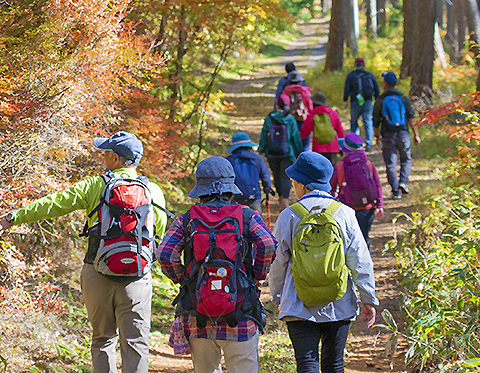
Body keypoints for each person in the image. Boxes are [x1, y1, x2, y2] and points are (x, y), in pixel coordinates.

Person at [0, 131, 168, 373]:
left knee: (103, 339)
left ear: (115, 158)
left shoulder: (96, 185)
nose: (103, 158)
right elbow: (159, 234)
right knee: (136, 345)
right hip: (137, 276)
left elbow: (53, 203)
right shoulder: (153, 191)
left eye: (105, 154)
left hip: (98, 273)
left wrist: (12, 218)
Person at [156, 157, 277, 373]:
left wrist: (185, 279)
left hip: (198, 313)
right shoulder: (247, 216)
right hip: (241, 311)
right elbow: (267, 244)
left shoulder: (186, 220)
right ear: (231, 186)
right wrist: (258, 274)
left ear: (200, 188)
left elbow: (165, 254)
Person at [268, 152, 379, 373]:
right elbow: (359, 258)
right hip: (338, 303)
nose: (293, 187)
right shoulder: (345, 214)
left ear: (302, 184)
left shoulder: (289, 215)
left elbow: (277, 261)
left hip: (299, 303)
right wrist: (368, 297)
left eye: (293, 183)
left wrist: (278, 295)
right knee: (334, 364)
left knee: (306, 364)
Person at [372, 72, 421, 199]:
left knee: (390, 163)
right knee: (406, 159)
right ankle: (403, 182)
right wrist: (416, 134)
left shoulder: (380, 100)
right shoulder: (403, 98)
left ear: (385, 84)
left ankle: (395, 191)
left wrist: (377, 136)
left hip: (388, 135)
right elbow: (411, 116)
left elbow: (375, 120)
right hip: (403, 133)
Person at [330, 132, 383, 247]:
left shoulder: (339, 167)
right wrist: (379, 205)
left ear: (344, 151)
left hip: (347, 208)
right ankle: (366, 263)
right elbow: (377, 185)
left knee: (348, 241)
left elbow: (331, 189)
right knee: (364, 238)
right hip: (367, 208)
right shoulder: (369, 165)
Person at [258, 94, 304, 209]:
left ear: (277, 104)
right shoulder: (290, 119)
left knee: (276, 175)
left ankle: (280, 196)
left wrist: (261, 150)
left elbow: (264, 134)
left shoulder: (270, 117)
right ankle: (285, 199)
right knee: (285, 175)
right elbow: (295, 137)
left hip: (271, 152)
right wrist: (300, 152)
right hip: (287, 152)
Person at [226, 131, 273, 214]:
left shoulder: (229, 160)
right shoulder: (257, 158)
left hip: (235, 198)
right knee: (257, 223)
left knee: (235, 222)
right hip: (254, 197)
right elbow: (265, 175)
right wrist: (267, 188)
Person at [342, 58, 380, 151]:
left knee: (354, 122)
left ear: (355, 65)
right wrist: (377, 101)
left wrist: (345, 100)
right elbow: (376, 89)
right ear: (364, 65)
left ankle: (355, 144)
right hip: (368, 102)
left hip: (355, 102)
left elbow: (347, 88)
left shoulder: (351, 75)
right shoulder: (369, 75)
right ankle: (368, 144)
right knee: (368, 122)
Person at [302, 91, 346, 166]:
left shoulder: (312, 115)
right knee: (332, 171)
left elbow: (304, 133)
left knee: (320, 171)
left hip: (318, 148)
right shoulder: (332, 113)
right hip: (333, 147)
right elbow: (340, 131)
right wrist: (342, 147)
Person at [281, 71, 315, 151]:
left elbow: (283, 104)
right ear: (300, 81)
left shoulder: (286, 91)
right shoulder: (305, 91)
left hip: (290, 118)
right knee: (305, 141)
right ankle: (305, 158)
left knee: (291, 140)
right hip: (303, 118)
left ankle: (293, 159)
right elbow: (310, 106)